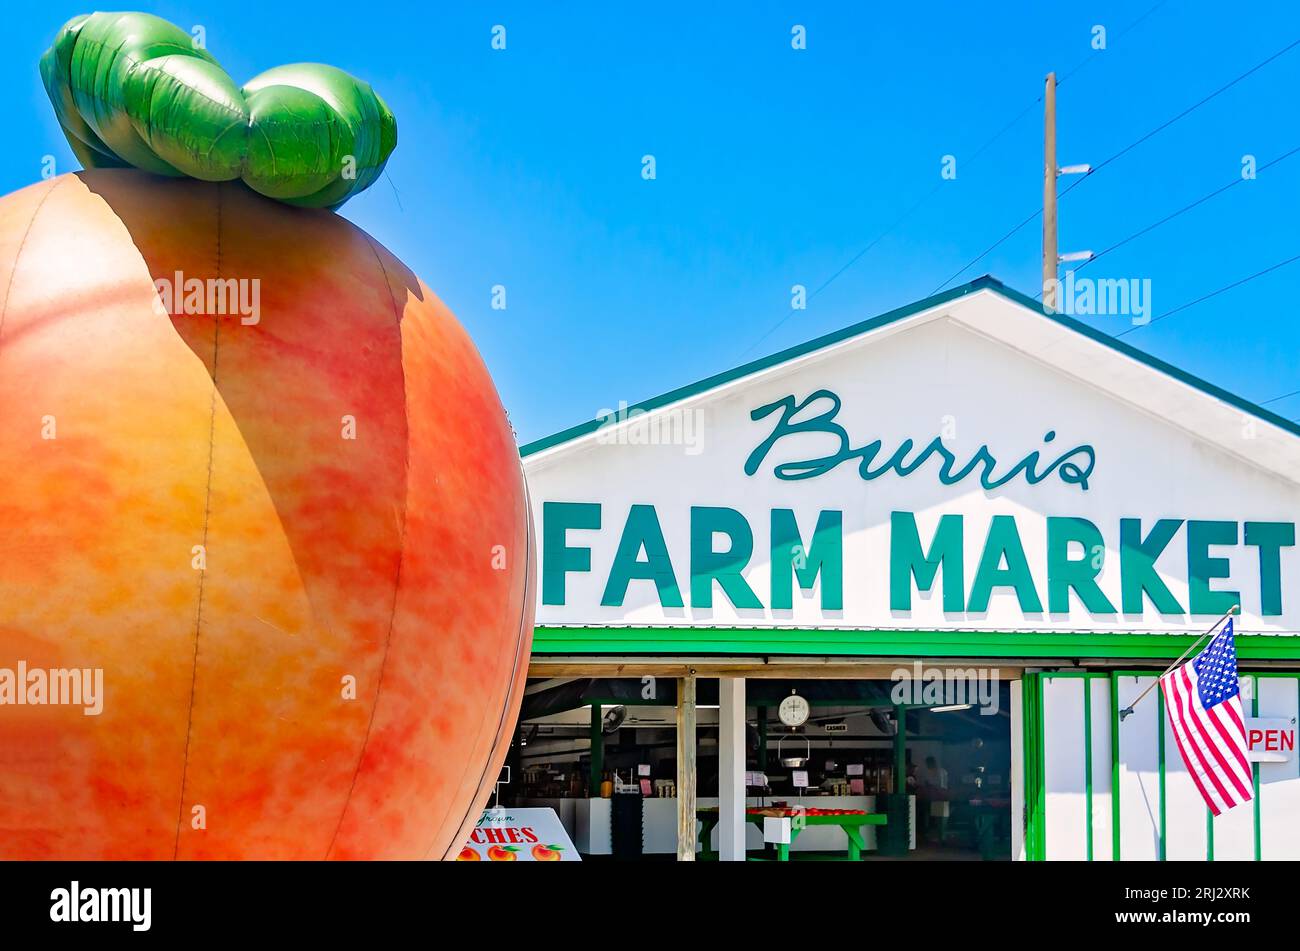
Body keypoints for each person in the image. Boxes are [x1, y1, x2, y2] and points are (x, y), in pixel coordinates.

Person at [920, 755, 949, 845]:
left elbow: (941, 786)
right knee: (940, 819)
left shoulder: (939, 772)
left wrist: (930, 786)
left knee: (941, 819)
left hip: (939, 797)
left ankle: (942, 838)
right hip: (937, 798)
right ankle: (941, 838)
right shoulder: (936, 772)